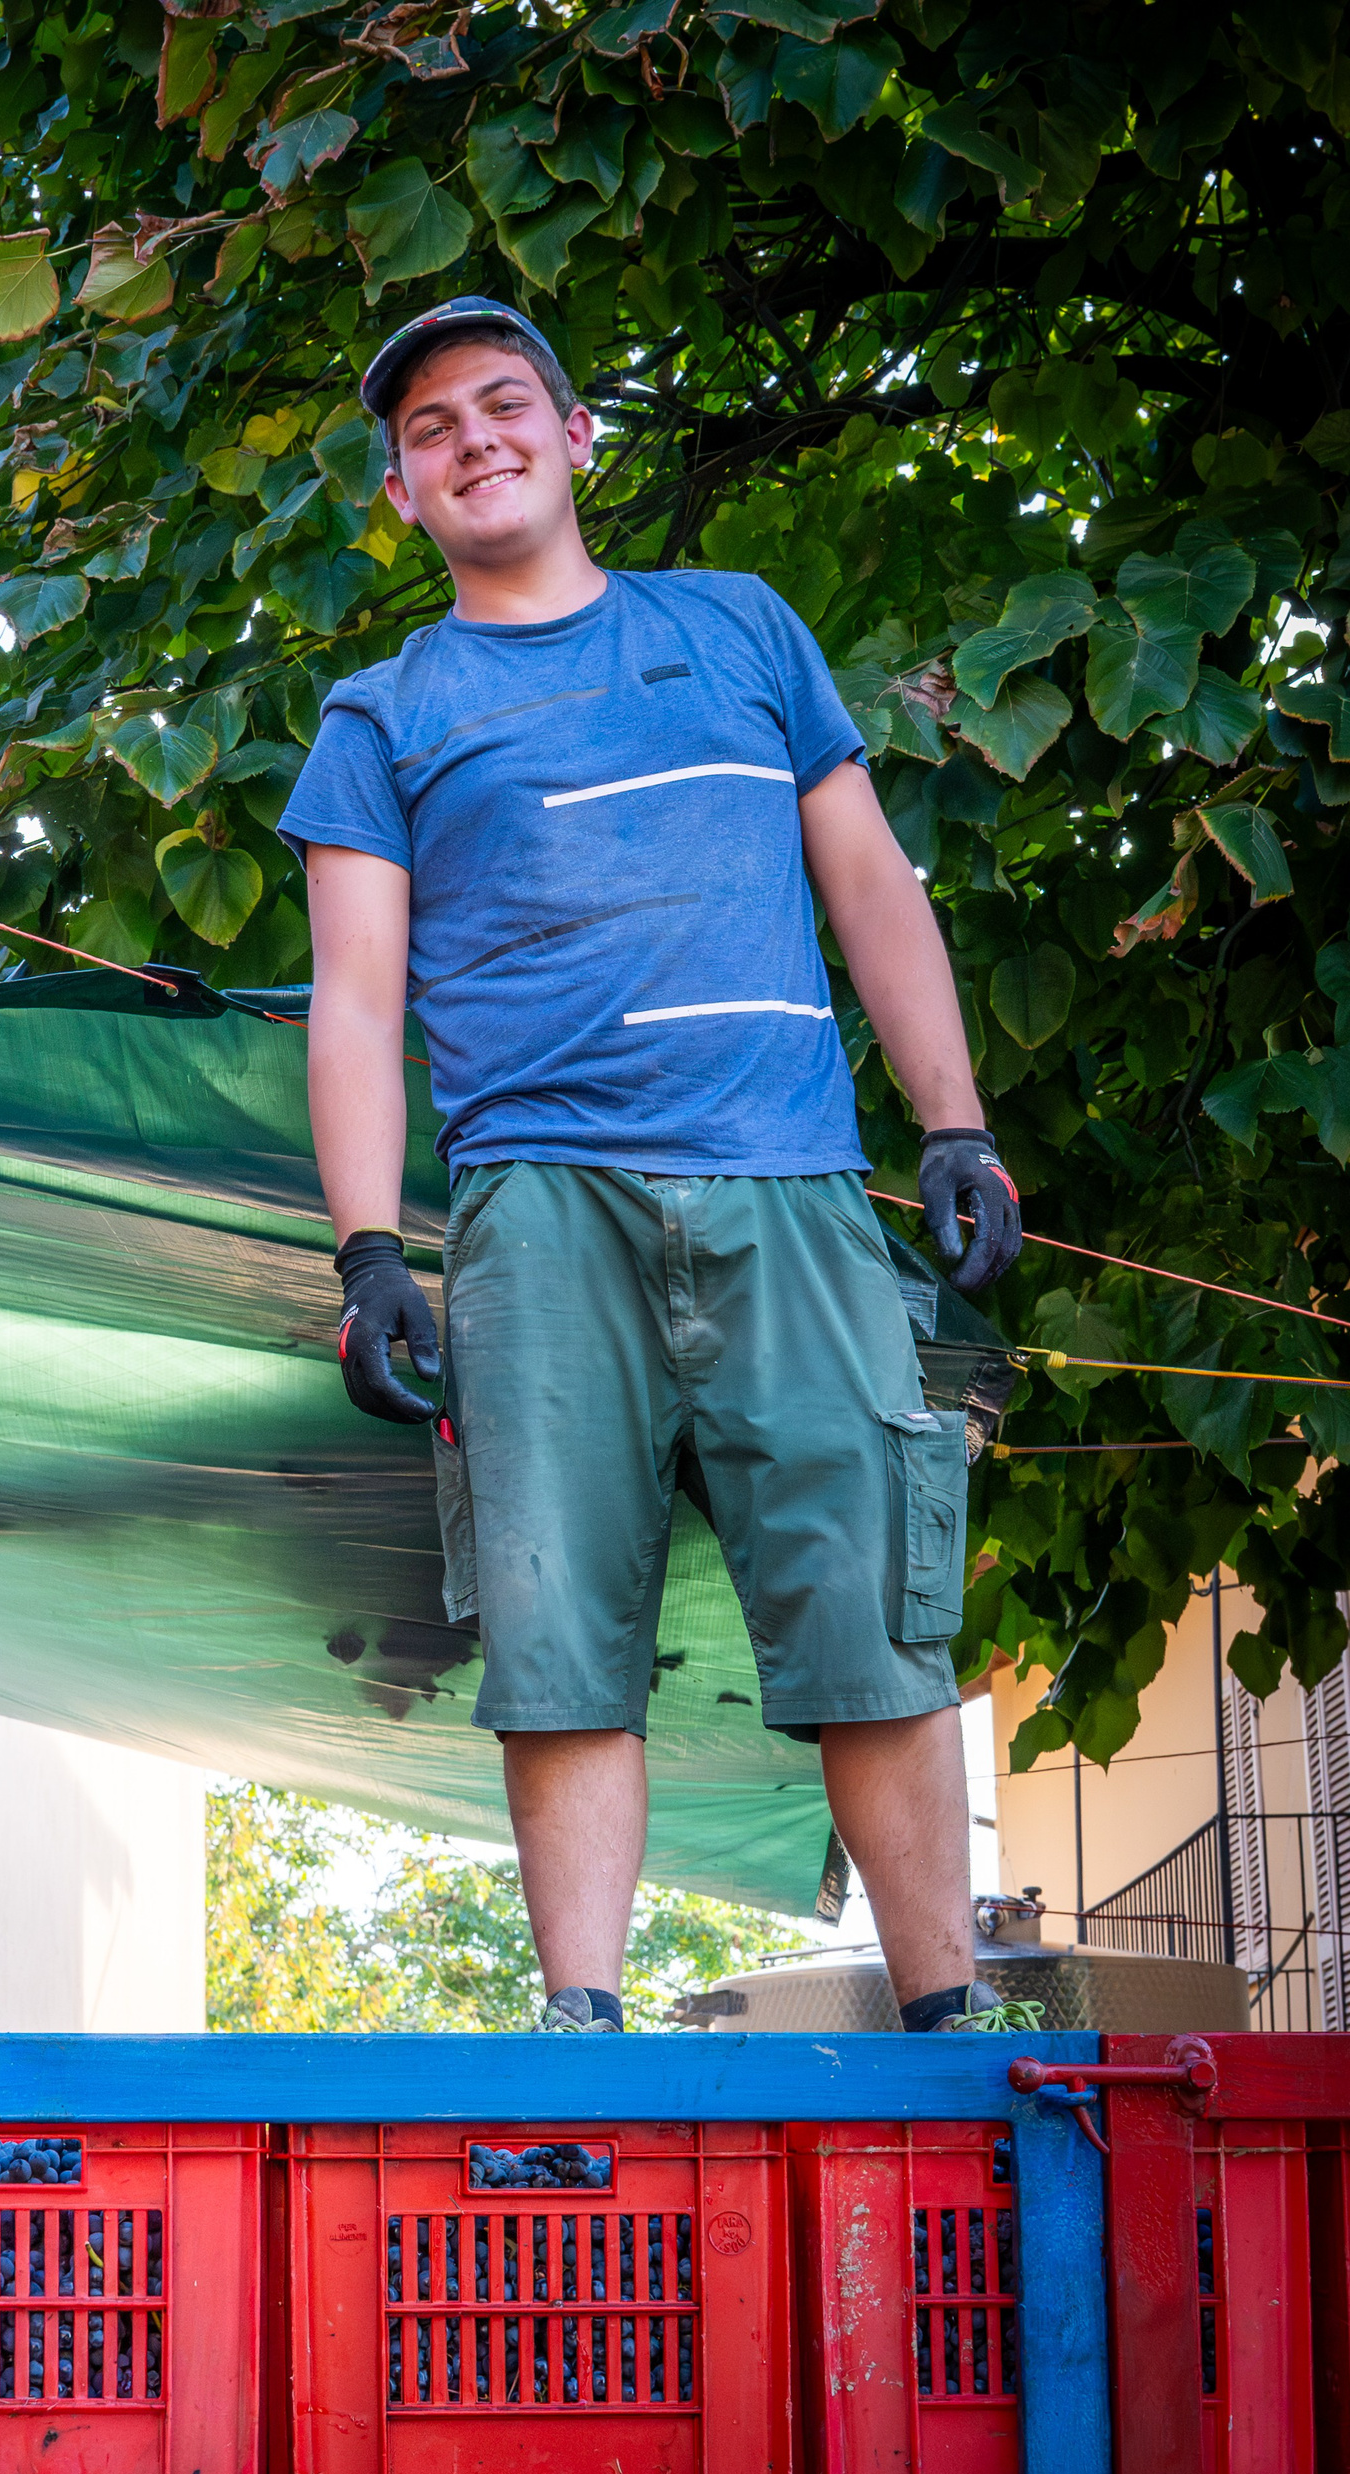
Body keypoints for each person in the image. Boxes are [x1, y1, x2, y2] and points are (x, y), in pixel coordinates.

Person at [281, 297, 1022, 2034]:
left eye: (504, 404)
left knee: (874, 1619)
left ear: (577, 435)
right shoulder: (379, 715)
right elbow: (353, 998)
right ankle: (579, 2033)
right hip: (541, 1211)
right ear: (403, 494)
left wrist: (955, 1117)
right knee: (556, 1642)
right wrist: (370, 1251)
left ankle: (949, 2019)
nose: (474, 438)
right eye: (433, 430)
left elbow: (872, 886)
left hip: (794, 1190)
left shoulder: (741, 629)